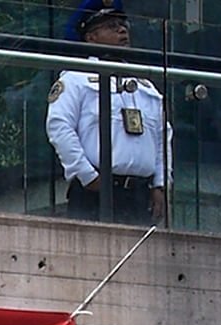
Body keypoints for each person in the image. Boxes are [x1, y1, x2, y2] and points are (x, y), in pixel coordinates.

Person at [45, 0, 170, 225]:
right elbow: (59, 127)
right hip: (94, 192)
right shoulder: (76, 78)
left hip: (140, 195)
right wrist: (87, 176)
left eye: (124, 25)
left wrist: (160, 184)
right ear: (90, 37)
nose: (122, 30)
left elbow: (162, 137)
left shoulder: (144, 85)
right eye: (112, 26)